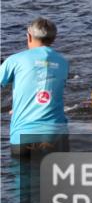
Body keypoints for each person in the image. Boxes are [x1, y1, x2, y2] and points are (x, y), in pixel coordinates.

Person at [0, 18, 70, 157]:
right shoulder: (63, 62)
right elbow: (47, 88)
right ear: (53, 38)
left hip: (24, 136)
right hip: (56, 135)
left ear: (29, 36)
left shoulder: (15, 60)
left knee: (23, 177)